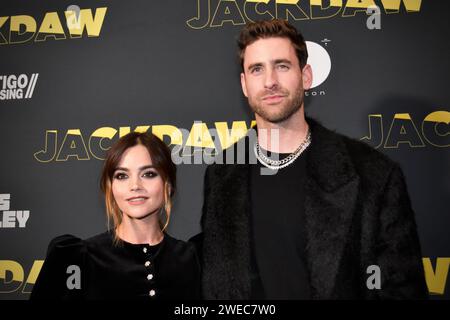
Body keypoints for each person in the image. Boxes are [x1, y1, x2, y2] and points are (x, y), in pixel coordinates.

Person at [197, 19, 428, 299]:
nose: (270, 81)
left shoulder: (373, 174)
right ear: (245, 85)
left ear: (306, 76)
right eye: (257, 69)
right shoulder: (222, 175)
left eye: (282, 66)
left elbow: (402, 290)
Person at [31, 132, 201, 300]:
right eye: (122, 176)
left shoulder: (193, 258)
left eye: (148, 174)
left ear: (168, 185)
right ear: (110, 188)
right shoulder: (78, 258)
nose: (135, 185)